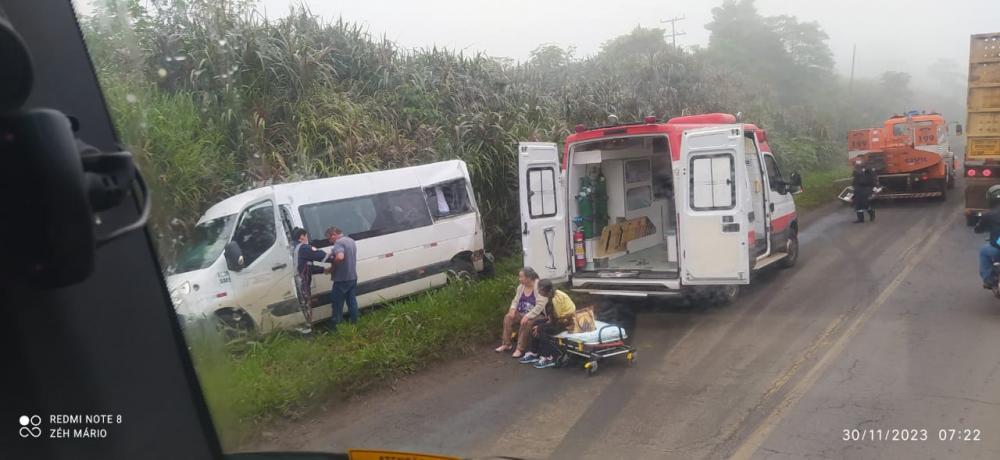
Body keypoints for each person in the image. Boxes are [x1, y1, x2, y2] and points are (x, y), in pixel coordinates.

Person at [518, 279, 577, 369]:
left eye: (539, 289)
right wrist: (540, 324)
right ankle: (534, 352)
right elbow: (551, 317)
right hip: (558, 318)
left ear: (543, 290)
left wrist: (541, 326)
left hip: (567, 321)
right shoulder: (551, 294)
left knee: (543, 330)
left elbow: (556, 320)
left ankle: (548, 357)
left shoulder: (556, 300)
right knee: (535, 323)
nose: (537, 291)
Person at [495, 267, 548, 358]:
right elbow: (515, 300)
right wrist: (512, 309)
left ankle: (520, 348)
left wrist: (528, 316)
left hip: (538, 315)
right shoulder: (521, 287)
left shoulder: (539, 287)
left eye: (521, 277)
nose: (519, 279)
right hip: (522, 313)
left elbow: (540, 306)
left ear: (529, 278)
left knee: (526, 322)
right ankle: (506, 344)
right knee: (508, 317)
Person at [291, 227, 327, 334]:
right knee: (306, 304)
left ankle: (308, 327)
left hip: (298, 280)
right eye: (306, 236)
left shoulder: (293, 247)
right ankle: (308, 331)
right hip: (302, 281)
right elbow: (319, 255)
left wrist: (322, 270)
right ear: (302, 236)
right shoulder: (303, 247)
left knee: (304, 303)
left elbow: (308, 266)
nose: (307, 239)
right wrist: (333, 257)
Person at [325, 226, 359, 329]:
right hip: (352, 277)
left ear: (334, 235)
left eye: (329, 238)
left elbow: (340, 257)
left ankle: (336, 326)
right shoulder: (351, 240)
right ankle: (355, 322)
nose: (329, 241)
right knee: (351, 301)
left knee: (337, 303)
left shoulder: (338, 243)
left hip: (342, 279)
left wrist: (332, 267)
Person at [974, 185, 1000, 289]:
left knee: (984, 252)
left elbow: (978, 229)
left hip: (996, 248)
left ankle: (988, 280)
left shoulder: (987, 215)